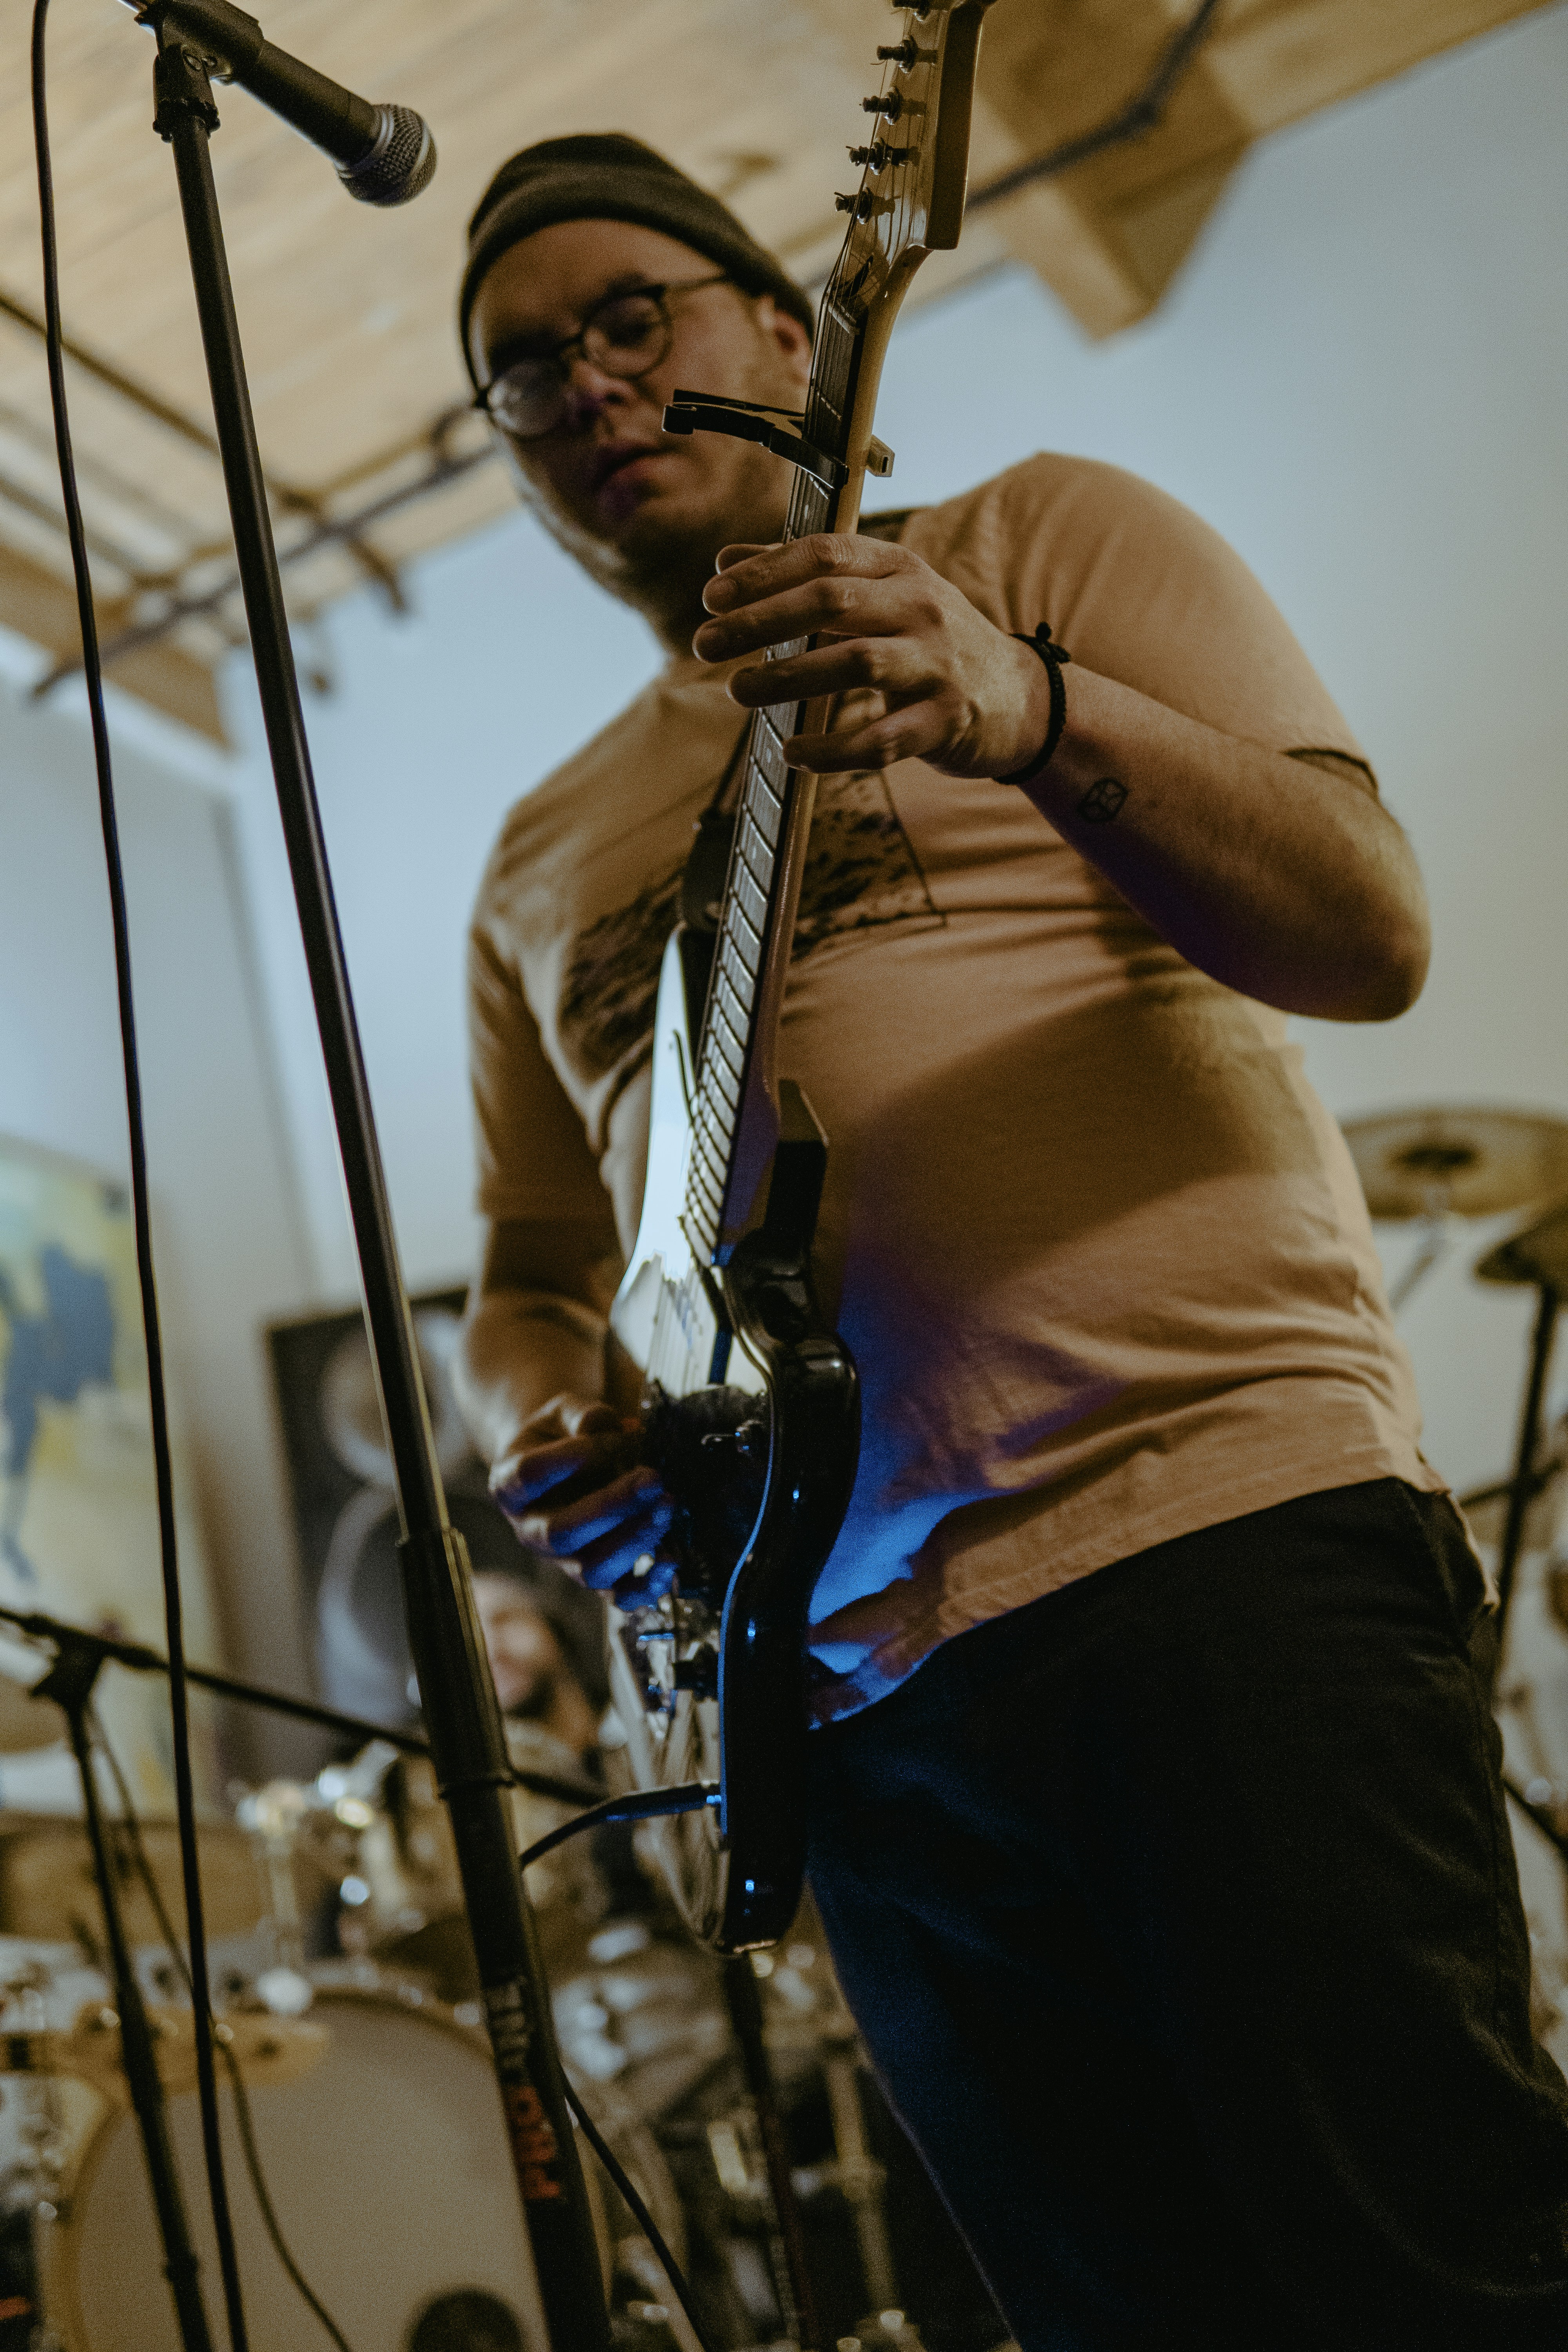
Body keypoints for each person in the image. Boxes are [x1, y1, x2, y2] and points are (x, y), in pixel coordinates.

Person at [449, 133, 1568, 2350]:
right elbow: (521, 1274)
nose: (583, 386)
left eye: (627, 317)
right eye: (520, 375)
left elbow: (1371, 930)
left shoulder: (1038, 536)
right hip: (855, 1694)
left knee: (1435, 2274)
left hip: (1225, 1543)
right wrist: (539, 1416)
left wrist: (1030, 706)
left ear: (795, 329)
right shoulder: (535, 856)